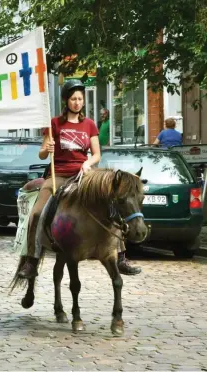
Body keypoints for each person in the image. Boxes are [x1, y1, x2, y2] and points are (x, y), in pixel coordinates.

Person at [17, 79, 141, 279]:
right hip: (58, 175)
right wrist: (45, 149)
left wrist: (88, 163)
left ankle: (121, 256)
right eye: (73, 99)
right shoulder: (55, 124)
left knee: (111, 206)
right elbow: (41, 154)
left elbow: (97, 154)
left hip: (84, 175)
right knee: (37, 214)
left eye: (80, 99)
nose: (77, 102)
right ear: (66, 101)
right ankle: (31, 260)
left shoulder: (89, 124)